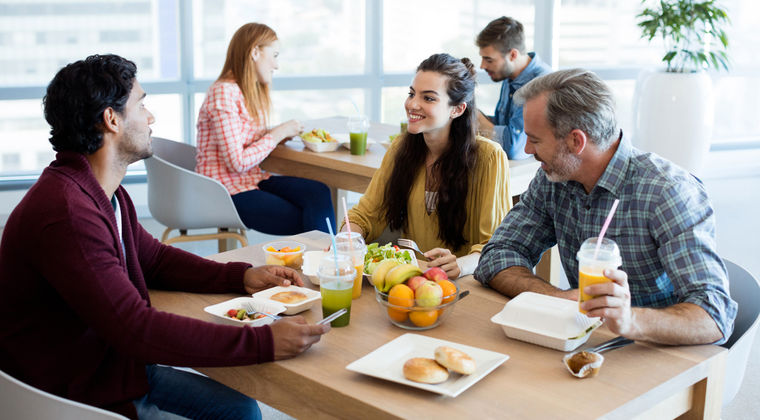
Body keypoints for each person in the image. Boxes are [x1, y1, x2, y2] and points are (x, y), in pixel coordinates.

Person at [0, 54, 330, 420]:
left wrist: (240, 275)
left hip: (109, 368)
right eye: (141, 104)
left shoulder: (100, 191)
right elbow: (136, 328)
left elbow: (153, 258)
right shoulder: (68, 213)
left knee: (240, 410)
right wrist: (263, 341)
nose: (151, 117)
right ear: (112, 120)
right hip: (73, 396)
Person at [474, 69, 737, 345]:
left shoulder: (668, 192)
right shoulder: (554, 178)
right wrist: (558, 297)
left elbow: (714, 316)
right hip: (588, 342)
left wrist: (630, 320)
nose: (527, 149)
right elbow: (497, 254)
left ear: (576, 141)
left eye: (536, 139)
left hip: (654, 350)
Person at [343, 53, 512, 279]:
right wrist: (346, 240)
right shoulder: (400, 148)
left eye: (428, 98)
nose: (413, 104)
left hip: (468, 284)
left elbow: (495, 246)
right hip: (414, 280)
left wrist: (460, 265)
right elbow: (365, 215)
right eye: (412, 94)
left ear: (458, 109)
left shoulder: (490, 157)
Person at [196, 22, 335, 234]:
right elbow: (237, 162)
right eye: (275, 55)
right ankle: (325, 263)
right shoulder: (224, 92)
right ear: (254, 52)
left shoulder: (242, 92)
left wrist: (277, 134)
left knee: (318, 193)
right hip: (226, 191)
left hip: (251, 180)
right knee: (308, 219)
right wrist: (277, 133)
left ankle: (324, 262)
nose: (276, 65)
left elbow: (242, 138)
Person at [475, 16, 551, 160]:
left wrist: (476, 116)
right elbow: (503, 126)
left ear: (513, 55)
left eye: (489, 59)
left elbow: (515, 148)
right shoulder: (509, 75)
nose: (482, 66)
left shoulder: (540, 84)